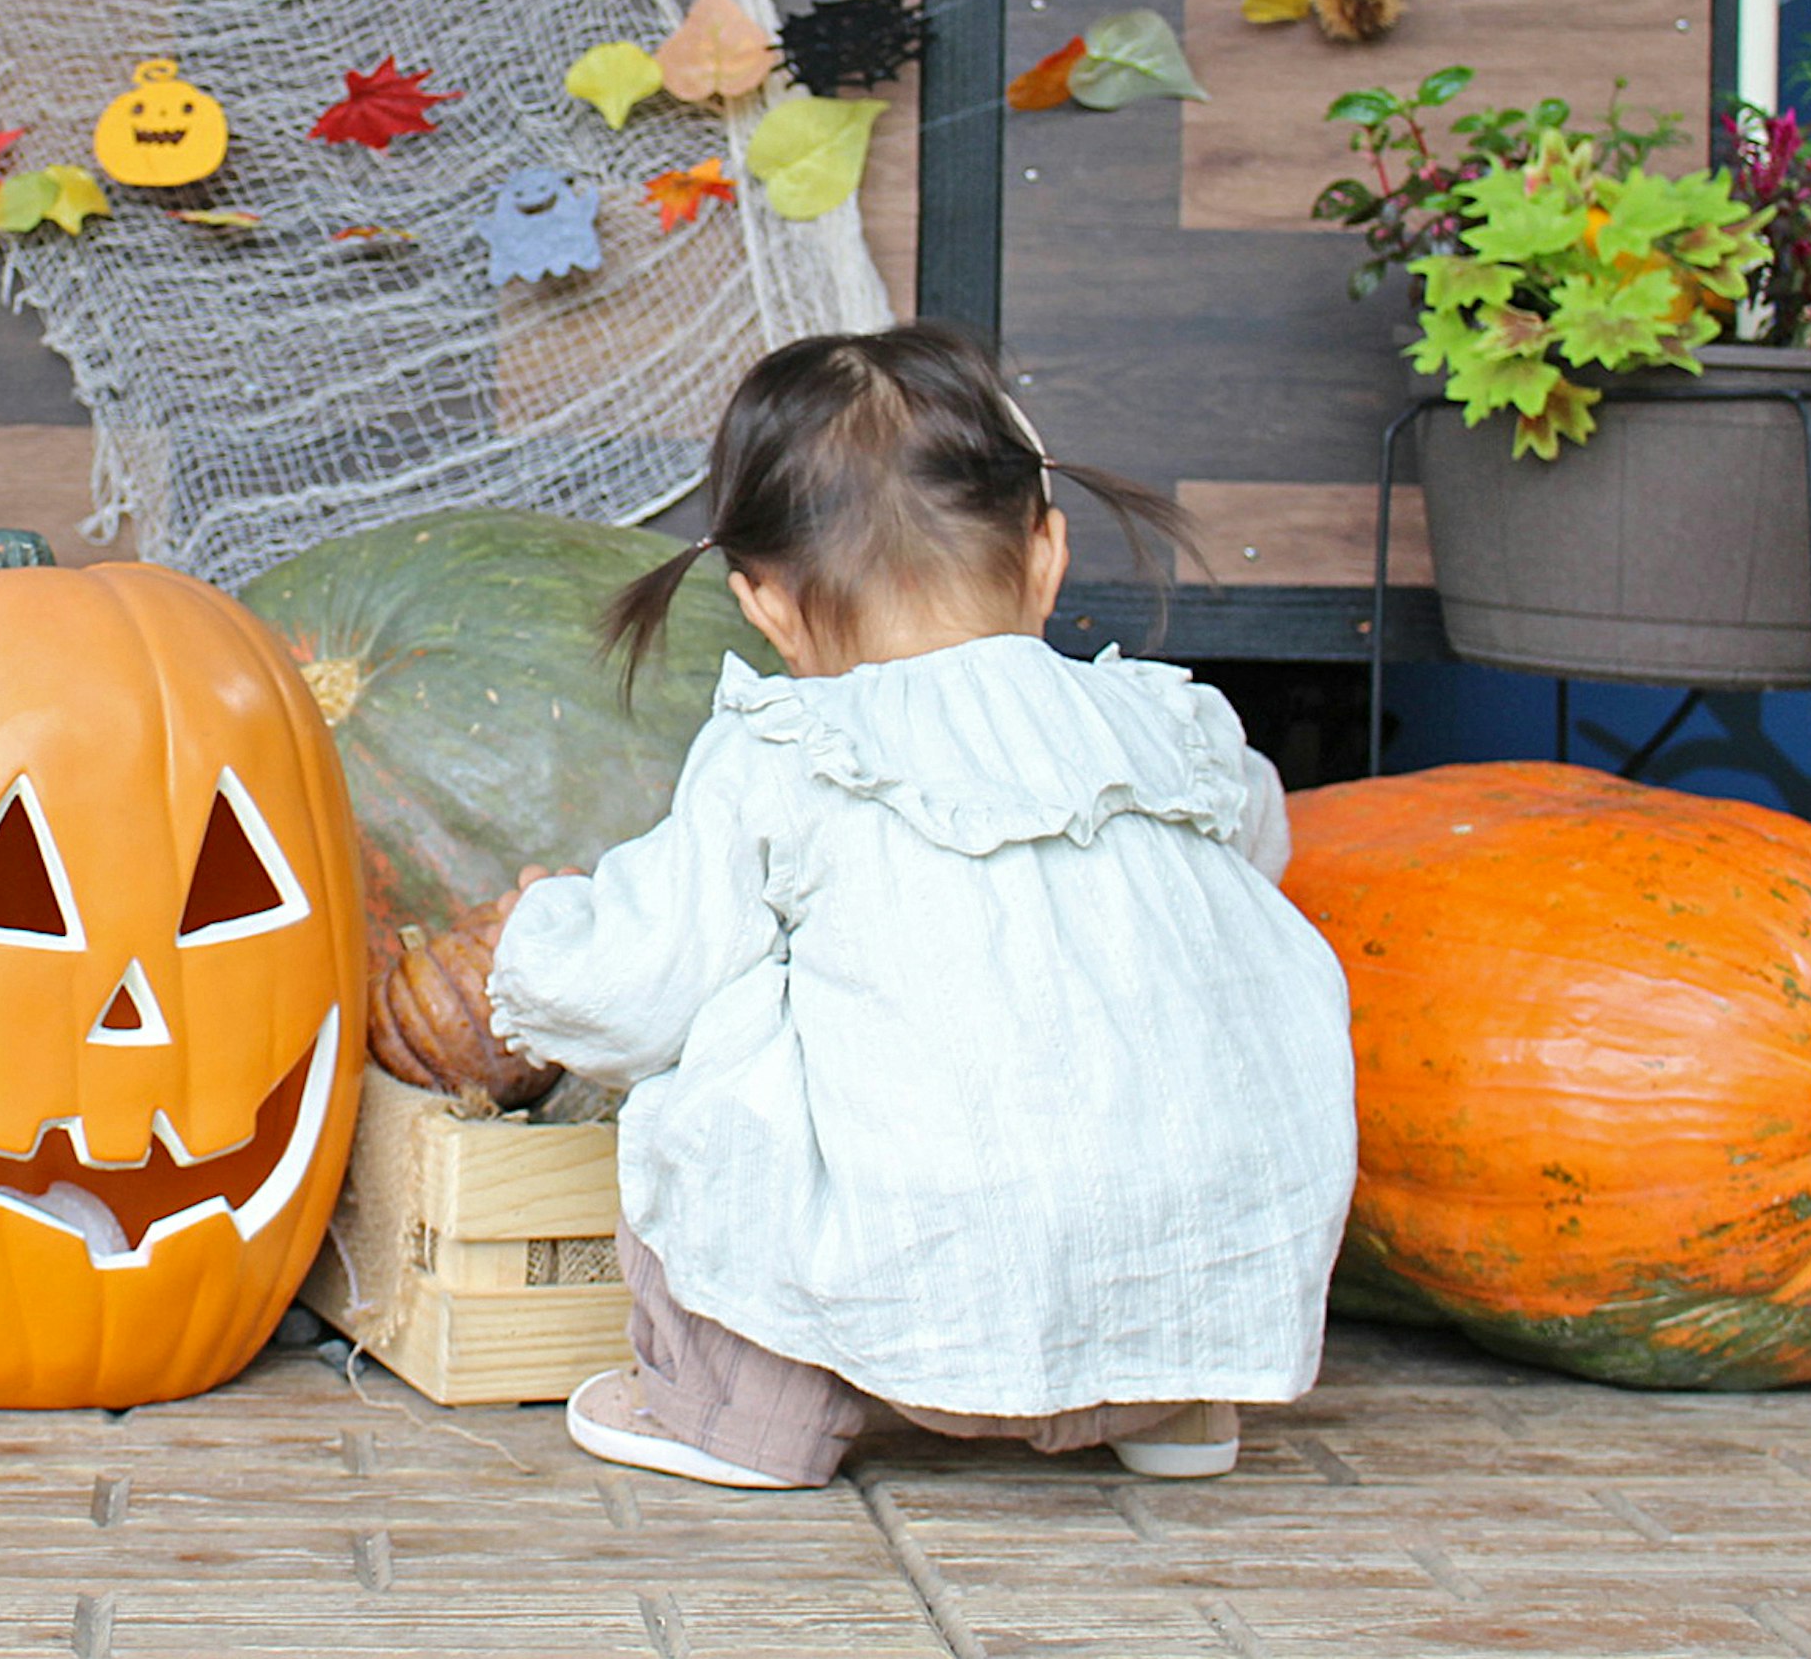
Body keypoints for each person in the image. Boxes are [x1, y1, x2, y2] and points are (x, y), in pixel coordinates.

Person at [488, 323, 1356, 1490]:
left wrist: (543, 933)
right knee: (1179, 1012)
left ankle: (745, 1417)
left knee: (714, 1061)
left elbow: (641, 989)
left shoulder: (792, 750)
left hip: (918, 1275)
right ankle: (1175, 1410)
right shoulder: (1177, 726)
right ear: (1046, 556)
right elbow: (1253, 865)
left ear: (766, 609)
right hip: (1186, 1252)